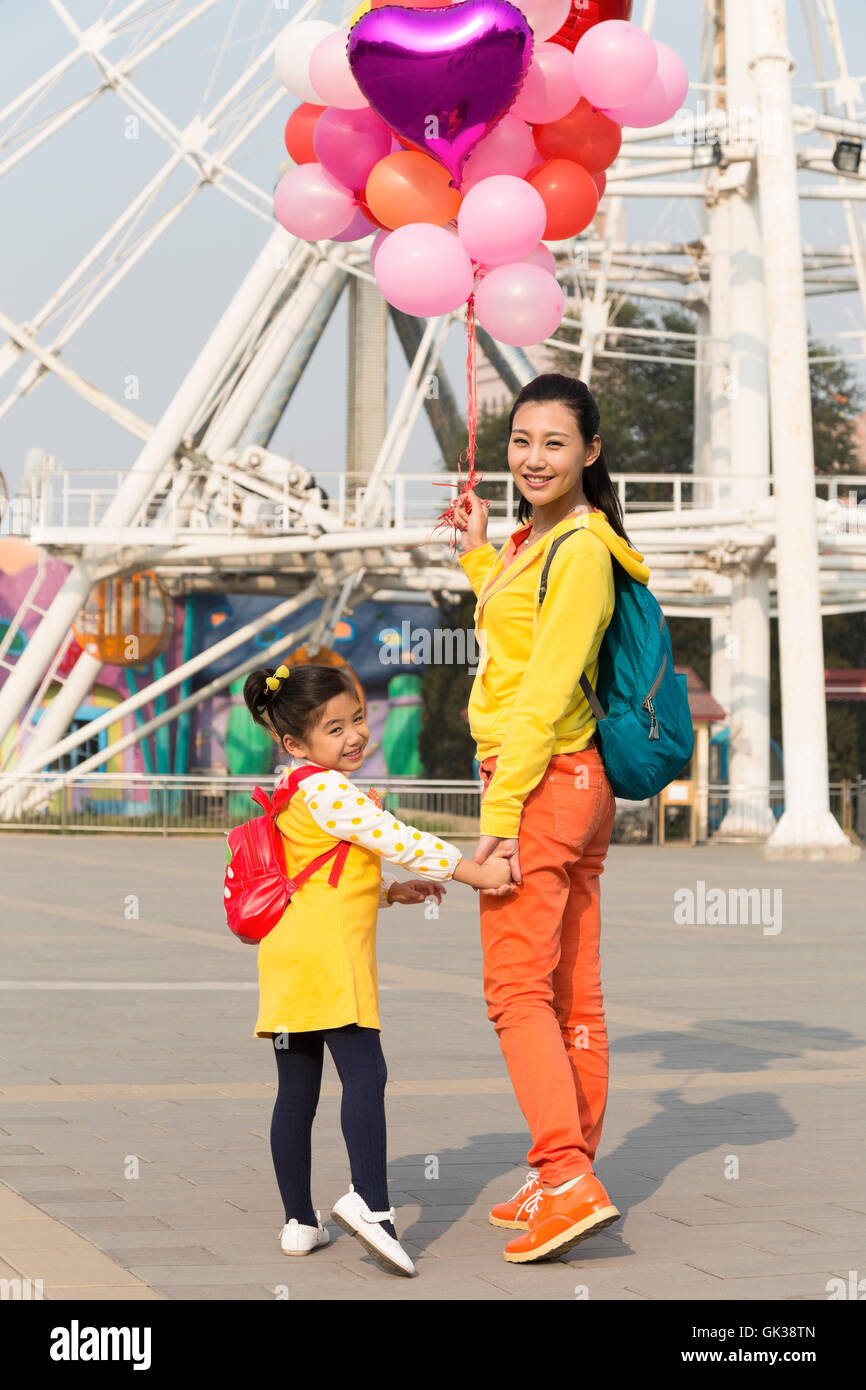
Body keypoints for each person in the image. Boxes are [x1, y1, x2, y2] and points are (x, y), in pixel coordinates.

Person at [453, 372, 651, 1264]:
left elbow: (539, 690)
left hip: (541, 786)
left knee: (514, 992)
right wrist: (478, 554)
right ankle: (564, 1174)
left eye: (555, 444)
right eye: (524, 441)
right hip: (575, 787)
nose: (535, 458)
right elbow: (518, 635)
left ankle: (567, 1176)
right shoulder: (544, 543)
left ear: (591, 452)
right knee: (572, 991)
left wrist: (499, 810)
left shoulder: (580, 550)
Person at [242, 662, 512, 1277]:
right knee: (366, 1075)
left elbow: (322, 872)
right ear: (294, 742)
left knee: (297, 1092)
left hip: (287, 955)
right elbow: (398, 835)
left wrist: (393, 894)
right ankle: (374, 1209)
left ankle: (298, 1223)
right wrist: (477, 875)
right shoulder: (328, 788)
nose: (354, 736)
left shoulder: (291, 787)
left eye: (358, 718)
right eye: (334, 728)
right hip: (330, 960)